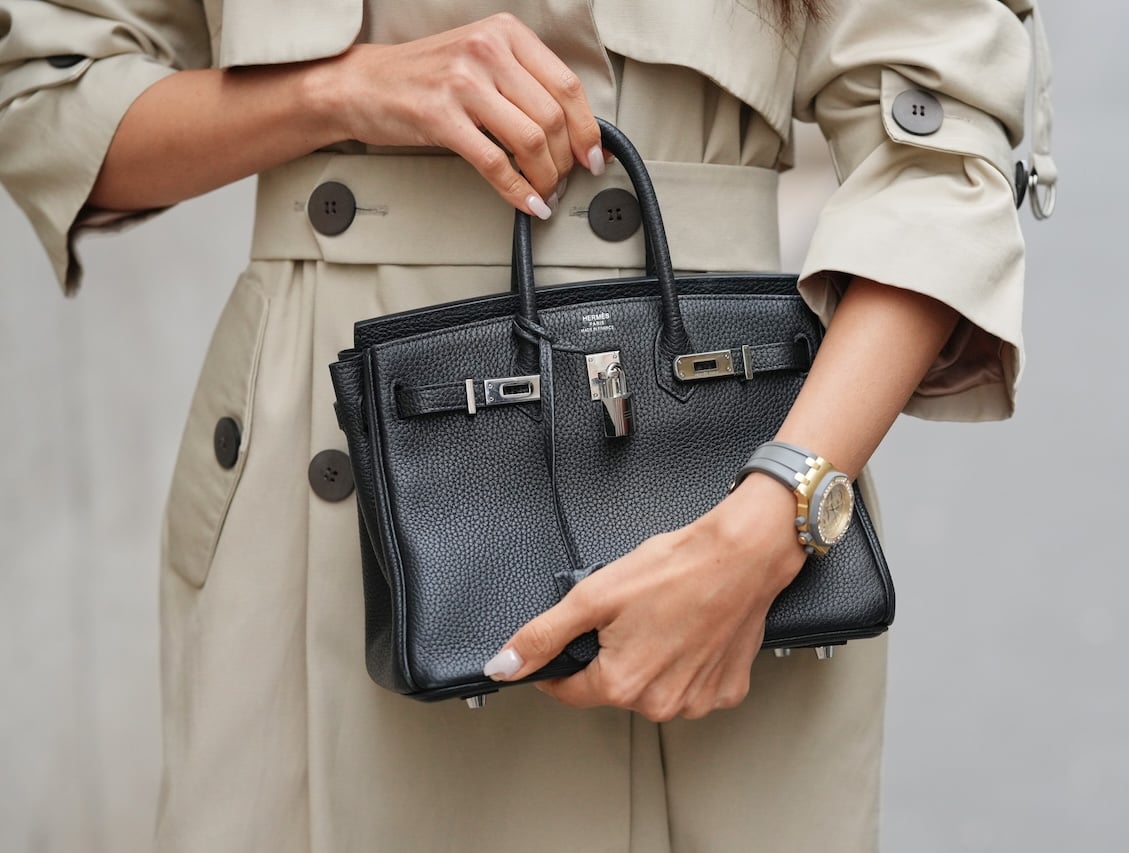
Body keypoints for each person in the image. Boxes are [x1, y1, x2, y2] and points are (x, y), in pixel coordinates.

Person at [0, 0, 1054, 850]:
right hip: (317, 501)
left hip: (710, 497)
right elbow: (48, 101)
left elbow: (942, 161)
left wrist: (772, 522)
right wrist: (338, 90)